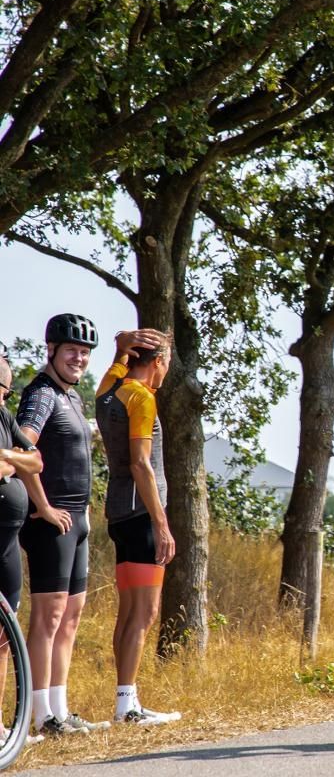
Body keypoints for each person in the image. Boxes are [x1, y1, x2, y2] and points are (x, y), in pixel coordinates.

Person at [16, 313, 111, 736]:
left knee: (71, 616)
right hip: (51, 521)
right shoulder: (41, 394)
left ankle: (60, 709)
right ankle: (39, 715)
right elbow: (23, 451)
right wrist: (44, 505)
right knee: (48, 617)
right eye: (72, 350)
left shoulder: (70, 395)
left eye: (85, 352)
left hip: (77, 519)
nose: (79, 358)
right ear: (51, 350)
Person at [95, 328, 181, 725]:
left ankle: (124, 698)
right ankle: (127, 705)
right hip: (142, 515)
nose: (166, 372)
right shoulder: (142, 397)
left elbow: (111, 373)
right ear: (158, 362)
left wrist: (120, 350)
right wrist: (162, 524)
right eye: (167, 364)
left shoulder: (110, 390)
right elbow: (141, 463)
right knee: (145, 613)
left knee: (128, 611)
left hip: (118, 512)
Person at [0, 348, 44, 744]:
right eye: (5, 390)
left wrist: (7, 457)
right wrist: (13, 461)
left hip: (8, 537)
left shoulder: (3, 417)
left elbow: (36, 461)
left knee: (4, 630)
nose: (5, 397)